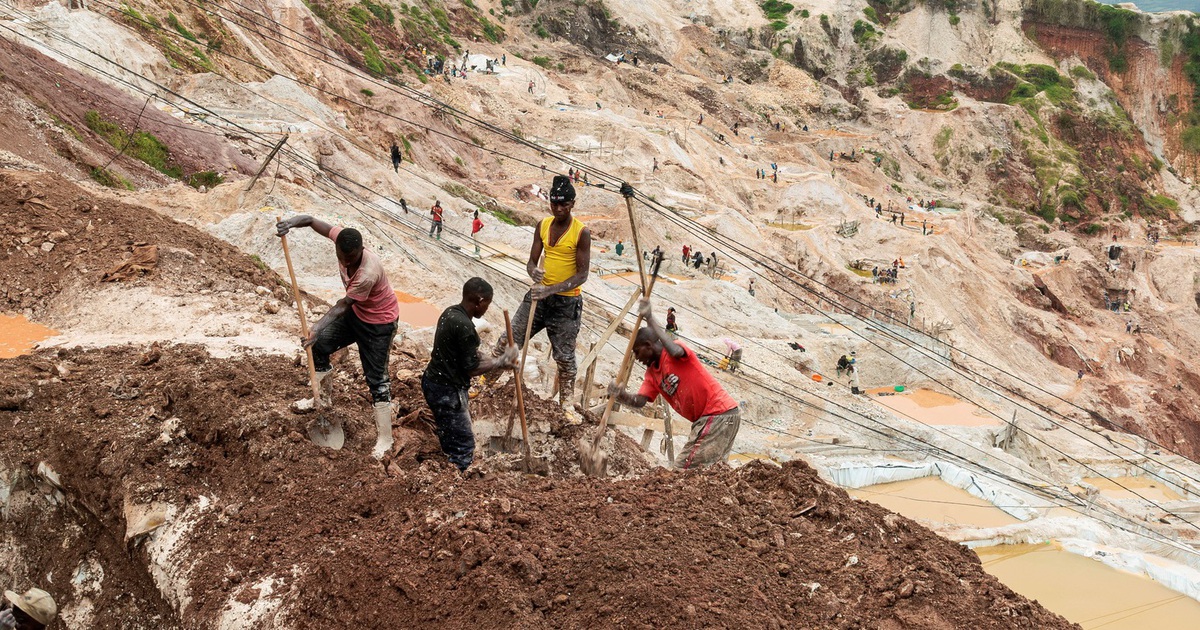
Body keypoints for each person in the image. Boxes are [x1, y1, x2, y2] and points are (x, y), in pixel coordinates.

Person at [276, 216, 401, 458]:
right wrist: (289, 224)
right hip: (357, 313)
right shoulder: (343, 238)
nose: (346, 263)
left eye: (351, 259)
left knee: (377, 379)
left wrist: (317, 325)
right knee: (320, 346)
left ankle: (385, 438)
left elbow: (343, 305)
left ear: (360, 251)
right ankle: (322, 401)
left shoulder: (368, 272)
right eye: (342, 258)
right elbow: (312, 220)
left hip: (379, 323)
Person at [607, 299, 741, 469]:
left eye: (637, 352)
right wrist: (621, 395)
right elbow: (640, 401)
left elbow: (674, 350)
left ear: (648, 346)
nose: (637, 358)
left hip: (716, 414)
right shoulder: (651, 375)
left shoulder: (674, 351)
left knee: (682, 472)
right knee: (712, 473)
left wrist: (650, 317)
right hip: (716, 417)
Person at [497, 175, 592, 409]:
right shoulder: (543, 225)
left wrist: (552, 290)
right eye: (554, 204)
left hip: (565, 303)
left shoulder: (581, 233)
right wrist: (533, 273)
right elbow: (531, 262)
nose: (558, 209)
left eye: (563, 205)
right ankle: (486, 380)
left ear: (572, 204)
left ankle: (567, 404)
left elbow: (582, 275)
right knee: (508, 341)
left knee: (564, 358)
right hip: (539, 296)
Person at [424, 278, 518, 470]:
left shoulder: (450, 313)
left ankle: (447, 455)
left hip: (433, 382)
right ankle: (458, 479)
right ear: (479, 301)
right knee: (464, 444)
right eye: (487, 304)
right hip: (447, 391)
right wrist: (501, 362)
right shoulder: (465, 327)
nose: (486, 309)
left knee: (449, 430)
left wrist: (498, 362)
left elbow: (471, 355)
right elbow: (472, 368)